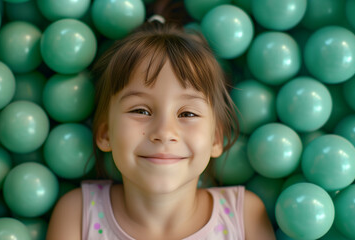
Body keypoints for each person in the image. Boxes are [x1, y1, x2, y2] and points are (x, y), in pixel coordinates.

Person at [46, 17, 275, 240]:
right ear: (105, 133)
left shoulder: (244, 217)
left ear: (216, 139)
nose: (164, 132)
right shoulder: (78, 213)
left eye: (187, 114)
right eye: (141, 111)